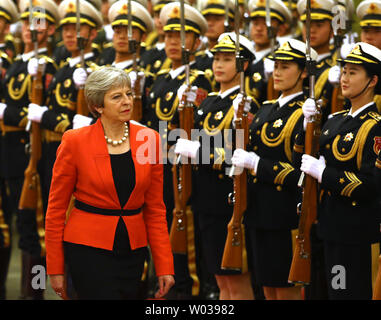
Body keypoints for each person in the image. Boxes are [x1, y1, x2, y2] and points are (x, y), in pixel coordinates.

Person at [45, 66, 175, 300]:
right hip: (88, 250)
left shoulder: (150, 139)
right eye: (116, 97)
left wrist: (165, 265)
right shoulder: (75, 141)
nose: (127, 101)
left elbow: (156, 209)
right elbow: (55, 210)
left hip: (133, 252)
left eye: (128, 94)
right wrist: (55, 269)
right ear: (98, 106)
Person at [174, 32, 259, 300]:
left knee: (236, 279)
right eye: (217, 59)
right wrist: (182, 109)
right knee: (221, 279)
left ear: (243, 66)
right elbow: (188, 138)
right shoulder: (209, 101)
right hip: (203, 197)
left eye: (227, 60)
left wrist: (199, 151)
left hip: (228, 199)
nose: (219, 65)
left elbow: (239, 153)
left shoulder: (245, 103)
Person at [231, 39, 318, 300]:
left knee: (285, 291)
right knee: (267, 289)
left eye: (286, 66)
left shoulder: (307, 111)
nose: (277, 72)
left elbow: (301, 173)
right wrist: (238, 122)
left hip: (284, 212)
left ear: (304, 72)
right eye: (276, 66)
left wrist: (258, 165)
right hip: (257, 209)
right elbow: (242, 151)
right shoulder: (266, 107)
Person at [296, 42, 381, 299]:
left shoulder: (376, 127)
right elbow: (300, 156)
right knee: (332, 293)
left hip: (355, 232)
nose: (345, 78)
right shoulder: (334, 120)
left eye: (353, 72)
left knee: (350, 294)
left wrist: (325, 175)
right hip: (327, 227)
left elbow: (371, 184)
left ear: (372, 80)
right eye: (344, 71)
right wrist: (305, 124)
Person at [0, 0, 59, 299]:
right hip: (11, 156)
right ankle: (28, 292)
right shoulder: (16, 64)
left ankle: (37, 291)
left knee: (38, 231)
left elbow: (46, 112)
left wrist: (7, 113)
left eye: (36, 24)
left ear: (48, 30)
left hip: (36, 155)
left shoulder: (52, 65)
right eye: (25, 24)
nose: (29, 30)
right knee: (21, 227)